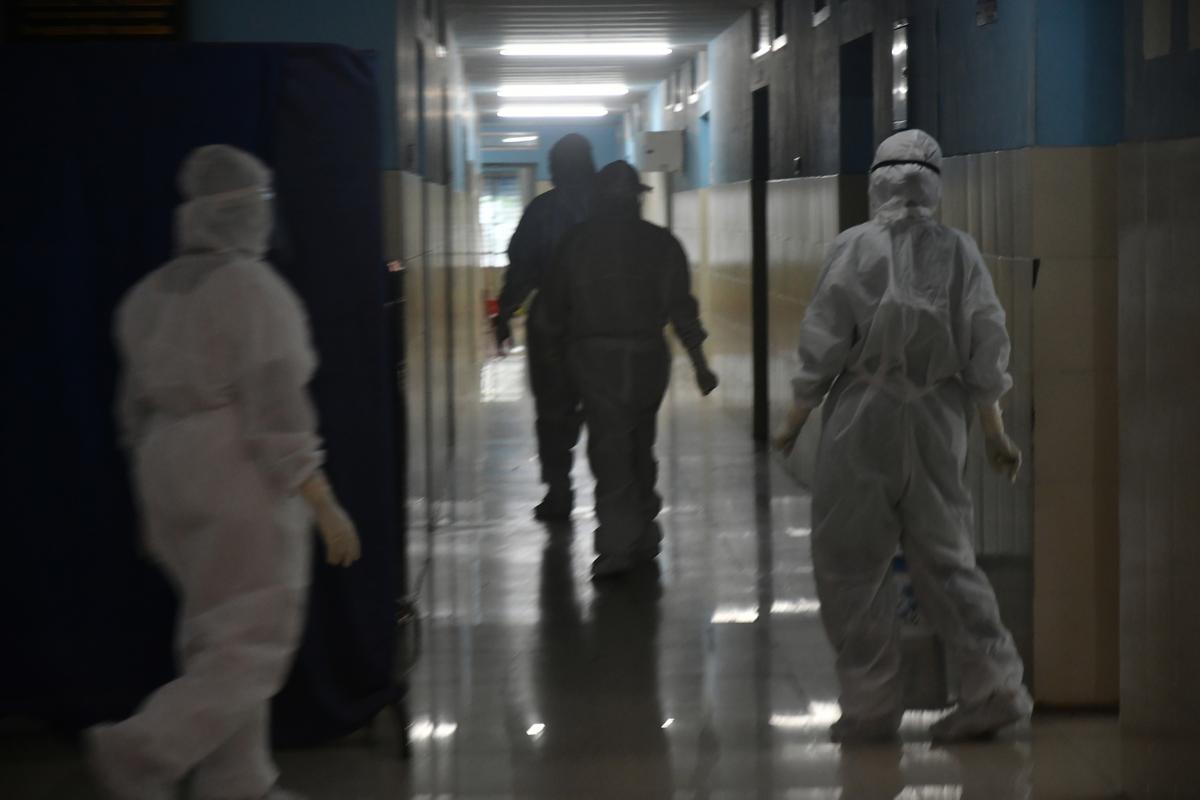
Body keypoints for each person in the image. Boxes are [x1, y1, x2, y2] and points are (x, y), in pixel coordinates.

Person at [87, 145, 361, 800]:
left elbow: (130, 412)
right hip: (232, 463)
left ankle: (235, 782)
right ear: (245, 211)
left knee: (215, 630)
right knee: (255, 637)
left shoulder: (148, 295)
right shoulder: (254, 291)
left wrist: (153, 512)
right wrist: (321, 500)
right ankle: (141, 750)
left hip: (164, 463)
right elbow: (276, 412)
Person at [774, 130, 1031, 743]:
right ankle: (993, 686)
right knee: (947, 558)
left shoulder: (853, 249)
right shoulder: (961, 252)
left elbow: (823, 344)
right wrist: (994, 432)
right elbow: (985, 347)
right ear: (935, 183)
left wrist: (793, 422)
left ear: (877, 182)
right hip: (940, 421)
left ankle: (870, 705)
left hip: (862, 420)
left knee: (850, 562)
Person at [541, 160, 718, 579]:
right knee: (639, 444)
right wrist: (700, 366)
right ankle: (643, 535)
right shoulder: (662, 244)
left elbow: (552, 316)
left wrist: (554, 374)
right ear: (637, 198)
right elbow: (682, 312)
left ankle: (620, 546)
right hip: (647, 359)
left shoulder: (575, 244)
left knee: (611, 449)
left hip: (597, 360)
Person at [494, 134, 596, 521]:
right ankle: (615, 495)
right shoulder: (611, 206)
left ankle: (559, 492)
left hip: (552, 325)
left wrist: (504, 314)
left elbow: (520, 269)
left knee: (553, 413)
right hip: (604, 324)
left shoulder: (542, 210)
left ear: (553, 170)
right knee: (611, 411)